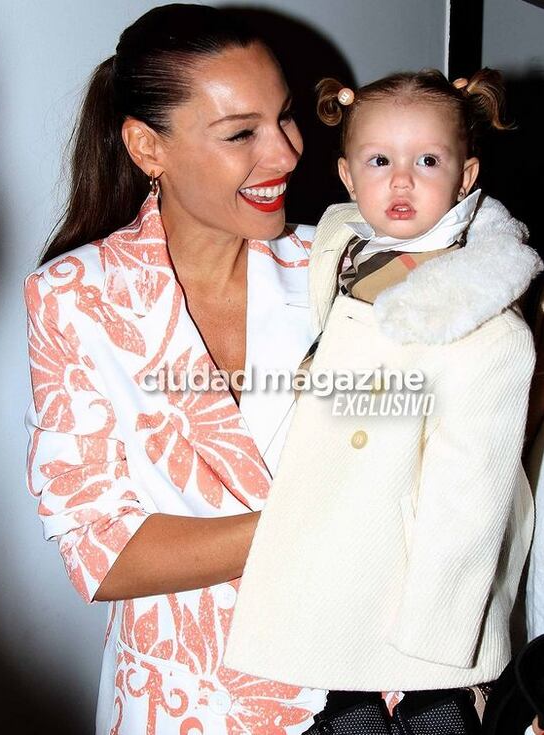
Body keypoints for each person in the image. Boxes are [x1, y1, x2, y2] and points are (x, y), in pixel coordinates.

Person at [23, 5, 329, 733]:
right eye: (241, 133)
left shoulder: (344, 267)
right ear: (146, 146)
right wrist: (318, 520)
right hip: (182, 696)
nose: (286, 153)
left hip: (354, 685)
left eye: (284, 117)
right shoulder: (74, 298)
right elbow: (102, 550)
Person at [224, 69, 543, 733]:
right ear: (347, 177)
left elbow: (474, 488)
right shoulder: (348, 250)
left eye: (428, 160)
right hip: (346, 545)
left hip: (421, 575)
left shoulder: (479, 314)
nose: (401, 181)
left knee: (434, 710)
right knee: (346, 696)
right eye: (380, 160)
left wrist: (441, 628)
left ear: (466, 175)